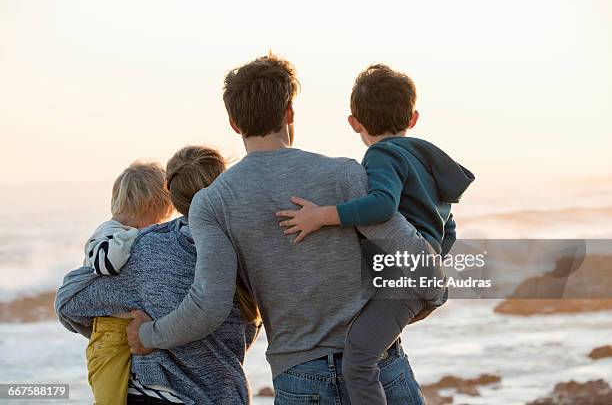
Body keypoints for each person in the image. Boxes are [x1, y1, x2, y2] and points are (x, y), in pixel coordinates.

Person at [127, 54, 445, 404]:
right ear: (289, 113)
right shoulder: (345, 174)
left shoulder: (213, 203)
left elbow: (209, 307)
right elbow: (418, 259)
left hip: (302, 380)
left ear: (234, 123)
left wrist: (149, 335)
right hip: (379, 369)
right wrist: (429, 299)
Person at [276, 64, 474, 404]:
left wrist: (323, 216)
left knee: (359, 363)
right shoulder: (421, 158)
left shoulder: (382, 155)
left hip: (405, 283)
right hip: (416, 276)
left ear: (354, 122)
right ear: (412, 118)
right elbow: (449, 227)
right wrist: (431, 264)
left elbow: (381, 205)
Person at [56, 146, 260, 405]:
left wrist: (130, 332)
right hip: (229, 392)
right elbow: (250, 328)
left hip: (160, 393)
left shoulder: (151, 248)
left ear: (173, 197)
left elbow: (68, 302)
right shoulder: (251, 250)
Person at [81, 161, 174, 405]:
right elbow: (104, 265)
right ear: (152, 205)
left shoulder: (123, 231)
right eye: (162, 215)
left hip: (129, 331)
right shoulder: (109, 231)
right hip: (109, 336)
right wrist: (134, 237)